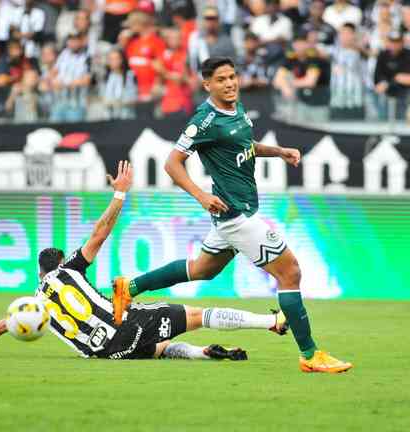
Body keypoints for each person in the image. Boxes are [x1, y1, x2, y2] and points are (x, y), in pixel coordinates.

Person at [112, 58, 353, 374]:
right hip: (236, 216)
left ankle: (128, 287)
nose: (230, 83)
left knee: (202, 269)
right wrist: (201, 196)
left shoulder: (236, 110)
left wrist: (279, 152)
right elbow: (172, 163)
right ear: (207, 85)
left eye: (232, 76)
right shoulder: (204, 120)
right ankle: (310, 355)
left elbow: (244, 145)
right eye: (221, 79)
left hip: (234, 212)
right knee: (290, 273)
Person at [0, 161, 288, 361]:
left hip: (103, 352)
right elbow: (99, 234)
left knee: (159, 347)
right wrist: (119, 193)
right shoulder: (68, 269)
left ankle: (203, 354)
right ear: (58, 263)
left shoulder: (35, 304)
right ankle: (270, 322)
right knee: (197, 315)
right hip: (124, 327)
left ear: (38, 272)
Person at [273, 32, 331, 122]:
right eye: (296, 43)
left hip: (319, 103)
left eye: (302, 43)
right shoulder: (291, 58)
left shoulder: (314, 58)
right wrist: (284, 87)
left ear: (307, 44)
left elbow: (310, 82)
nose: (299, 46)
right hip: (301, 104)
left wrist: (288, 83)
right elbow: (276, 80)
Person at [373, 30, 410, 119]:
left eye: (397, 42)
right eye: (392, 42)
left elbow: (406, 74)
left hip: (404, 93)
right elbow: (377, 74)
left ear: (402, 43)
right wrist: (383, 82)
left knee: (402, 119)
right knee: (382, 117)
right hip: (386, 93)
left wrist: (388, 83)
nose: (394, 45)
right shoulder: (383, 55)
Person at [329, 23, 367, 120]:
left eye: (347, 33)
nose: (344, 36)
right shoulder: (332, 51)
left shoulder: (361, 53)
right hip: (337, 100)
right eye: (342, 33)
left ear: (354, 35)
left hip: (356, 100)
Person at [100, 47, 138, 119]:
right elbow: (102, 97)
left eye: (116, 58)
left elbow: (134, 97)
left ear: (122, 60)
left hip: (126, 116)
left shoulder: (130, 75)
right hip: (108, 116)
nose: (114, 62)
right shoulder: (106, 77)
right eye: (111, 59)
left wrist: (120, 102)